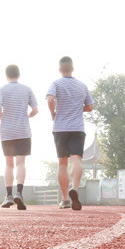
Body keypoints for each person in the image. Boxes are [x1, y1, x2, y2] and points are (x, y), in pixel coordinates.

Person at [46, 56, 94, 210]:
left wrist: (53, 113)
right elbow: (90, 106)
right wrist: (78, 108)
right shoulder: (82, 86)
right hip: (77, 128)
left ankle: (66, 199)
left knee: (62, 163)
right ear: (73, 69)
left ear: (60, 70)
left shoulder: (55, 83)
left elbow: (50, 99)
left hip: (60, 128)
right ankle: (75, 188)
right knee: (76, 160)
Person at [0, 64, 39, 210]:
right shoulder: (27, 89)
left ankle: (8, 196)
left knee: (9, 164)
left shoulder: (1, 89)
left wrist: (4, 118)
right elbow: (35, 110)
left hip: (7, 131)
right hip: (23, 130)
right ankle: (19, 193)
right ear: (18, 75)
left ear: (6, 75)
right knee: (21, 163)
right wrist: (27, 116)